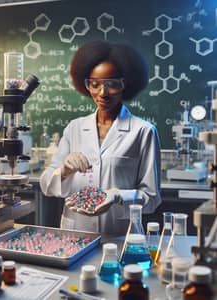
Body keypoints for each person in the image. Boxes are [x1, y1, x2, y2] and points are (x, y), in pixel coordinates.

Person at [39, 40, 161, 236]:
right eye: (94, 84)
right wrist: (64, 170)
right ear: (85, 84)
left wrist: (118, 196)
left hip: (119, 235)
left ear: (125, 84)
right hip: (75, 234)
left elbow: (152, 198)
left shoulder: (143, 131)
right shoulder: (74, 128)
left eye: (112, 84)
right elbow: (46, 185)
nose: (102, 93)